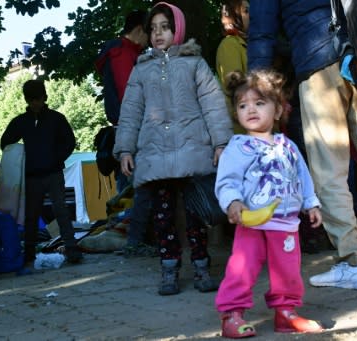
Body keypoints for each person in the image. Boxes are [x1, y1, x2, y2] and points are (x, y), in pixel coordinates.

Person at [247, 0, 357, 289]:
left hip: (317, 62)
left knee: (329, 170)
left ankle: (355, 262)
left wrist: (257, 93)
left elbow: (262, 31)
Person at [113, 2, 233, 296]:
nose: (158, 34)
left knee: (195, 216)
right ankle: (169, 269)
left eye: (164, 27)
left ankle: (202, 266)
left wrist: (221, 144)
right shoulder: (141, 70)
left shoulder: (195, 64)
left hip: (192, 151)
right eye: (153, 29)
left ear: (177, 29)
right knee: (163, 217)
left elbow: (213, 105)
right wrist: (125, 149)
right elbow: (130, 112)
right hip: (157, 156)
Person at [214, 70, 324, 338]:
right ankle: (232, 314)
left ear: (277, 111)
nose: (250, 109)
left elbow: (303, 177)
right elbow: (226, 181)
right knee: (242, 267)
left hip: (286, 222)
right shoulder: (238, 146)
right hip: (252, 222)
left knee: (288, 271)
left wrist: (311, 203)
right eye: (243, 105)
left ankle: (286, 313)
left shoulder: (288, 146)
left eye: (259, 103)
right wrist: (233, 202)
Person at [0, 79, 83, 265]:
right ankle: (29, 253)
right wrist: (22, 159)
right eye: (31, 100)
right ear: (26, 100)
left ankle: (72, 249)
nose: (34, 103)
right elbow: (5, 142)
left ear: (44, 98)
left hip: (53, 172)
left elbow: (69, 141)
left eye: (37, 99)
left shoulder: (56, 118)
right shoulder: (21, 122)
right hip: (32, 176)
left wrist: (56, 158)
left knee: (61, 210)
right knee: (31, 214)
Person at [95, 10, 157, 257]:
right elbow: (128, 94)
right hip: (132, 128)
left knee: (129, 184)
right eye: (150, 31)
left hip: (124, 127)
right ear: (140, 29)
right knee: (136, 186)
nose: (151, 38)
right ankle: (133, 240)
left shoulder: (120, 52)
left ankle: (127, 235)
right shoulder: (122, 53)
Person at [215, 0, 249, 134]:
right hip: (245, 131)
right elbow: (235, 87)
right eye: (245, 11)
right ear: (234, 15)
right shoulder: (229, 44)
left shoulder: (247, 43)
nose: (251, 15)